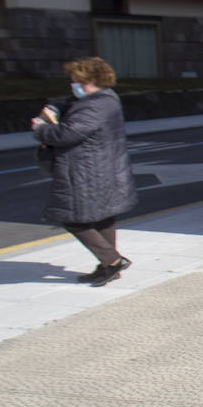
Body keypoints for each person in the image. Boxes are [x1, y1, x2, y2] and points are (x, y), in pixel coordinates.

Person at [30, 56, 139, 287]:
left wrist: (41, 129)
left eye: (74, 79)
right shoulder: (104, 99)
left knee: (72, 219)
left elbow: (66, 134)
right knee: (102, 218)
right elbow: (69, 105)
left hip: (86, 173)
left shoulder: (94, 106)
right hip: (100, 169)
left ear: (88, 80)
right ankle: (107, 267)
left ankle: (113, 260)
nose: (72, 84)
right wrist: (53, 107)